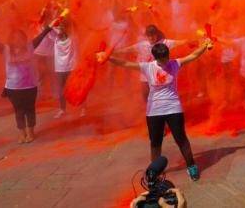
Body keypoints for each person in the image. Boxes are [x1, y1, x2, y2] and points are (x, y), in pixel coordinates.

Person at [105, 40, 213, 181]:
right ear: (156, 58)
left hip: (173, 107)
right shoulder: (148, 67)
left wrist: (204, 45)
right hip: (154, 110)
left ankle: (191, 166)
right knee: (155, 143)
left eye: (167, 57)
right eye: (162, 59)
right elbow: (125, 64)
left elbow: (192, 56)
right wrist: (107, 57)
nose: (166, 61)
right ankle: (154, 171)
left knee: (181, 139)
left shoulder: (174, 64)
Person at [0, 25, 53, 143]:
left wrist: (50, 26)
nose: (18, 40)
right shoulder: (5, 50)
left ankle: (31, 132)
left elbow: (42, 35)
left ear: (24, 39)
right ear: (11, 40)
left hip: (30, 86)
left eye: (20, 38)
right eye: (15, 38)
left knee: (30, 109)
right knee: (19, 111)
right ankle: (22, 134)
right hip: (13, 88)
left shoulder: (30, 47)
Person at [115, 25, 188, 103]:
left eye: (153, 35)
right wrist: (111, 53)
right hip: (145, 78)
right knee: (146, 99)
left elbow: (180, 42)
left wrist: (191, 41)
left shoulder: (164, 43)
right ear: (146, 36)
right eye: (149, 36)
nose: (151, 38)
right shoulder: (142, 45)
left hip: (158, 78)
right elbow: (126, 50)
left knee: (159, 99)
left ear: (156, 34)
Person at [52, 19, 80, 118]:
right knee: (61, 90)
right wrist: (57, 17)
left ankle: (82, 107)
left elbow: (75, 27)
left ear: (67, 28)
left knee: (76, 89)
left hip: (71, 67)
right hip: (59, 68)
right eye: (59, 27)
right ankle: (62, 109)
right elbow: (49, 26)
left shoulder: (73, 38)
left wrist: (71, 16)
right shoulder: (55, 38)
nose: (59, 29)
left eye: (62, 27)